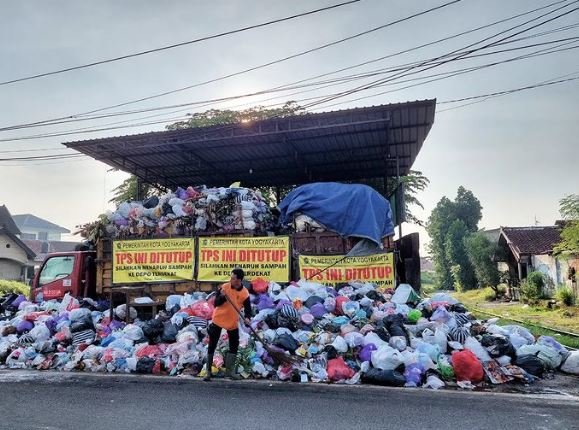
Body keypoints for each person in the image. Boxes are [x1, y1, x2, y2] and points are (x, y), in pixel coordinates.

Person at [204, 268, 252, 381]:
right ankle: (208, 372)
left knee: (234, 345)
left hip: (232, 321)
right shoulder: (224, 287)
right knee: (212, 344)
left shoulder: (244, 293)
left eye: (233, 278)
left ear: (239, 280)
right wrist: (221, 296)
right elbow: (216, 303)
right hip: (218, 319)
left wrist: (247, 318)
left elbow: (248, 308)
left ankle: (229, 372)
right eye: (231, 277)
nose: (231, 280)